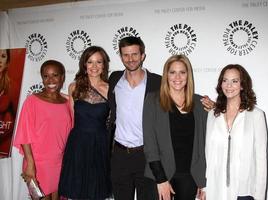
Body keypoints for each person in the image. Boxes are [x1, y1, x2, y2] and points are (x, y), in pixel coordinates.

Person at [143, 55, 207, 200]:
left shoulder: (200, 103)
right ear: (166, 75)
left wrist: (203, 182)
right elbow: (150, 144)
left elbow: (206, 144)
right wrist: (161, 179)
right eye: (172, 72)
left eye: (182, 72)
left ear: (188, 75)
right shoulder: (152, 100)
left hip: (189, 177)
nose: (177, 77)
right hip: (159, 175)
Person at [108, 36, 160, 200]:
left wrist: (203, 102)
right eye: (126, 55)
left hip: (146, 155)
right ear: (121, 56)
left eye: (135, 54)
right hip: (120, 154)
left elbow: (179, 96)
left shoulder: (157, 82)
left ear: (142, 56)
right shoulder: (114, 79)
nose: (130, 59)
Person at [205, 64, 267, 200]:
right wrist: (205, 186)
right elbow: (208, 153)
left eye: (235, 81)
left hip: (244, 191)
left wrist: (259, 196)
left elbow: (261, 160)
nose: (229, 85)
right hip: (216, 189)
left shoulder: (256, 115)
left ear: (242, 85)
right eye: (225, 80)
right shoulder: (212, 115)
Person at [58, 46, 112, 200]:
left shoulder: (110, 89)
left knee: (96, 190)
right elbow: (73, 118)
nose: (94, 67)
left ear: (104, 65)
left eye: (98, 62)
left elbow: (112, 120)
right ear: (84, 65)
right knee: (77, 190)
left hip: (100, 144)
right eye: (90, 62)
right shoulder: (74, 87)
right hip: (78, 144)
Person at [14, 60, 72, 200]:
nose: (50, 80)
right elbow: (24, 135)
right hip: (37, 163)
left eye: (55, 75)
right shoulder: (32, 101)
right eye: (46, 76)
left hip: (60, 162)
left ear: (62, 77)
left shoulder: (67, 103)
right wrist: (30, 164)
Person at [0, 49, 14, 158]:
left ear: (7, 62)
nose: (0, 60)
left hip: (4, 144)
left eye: (3, 56)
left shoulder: (13, 88)